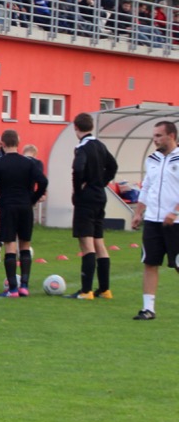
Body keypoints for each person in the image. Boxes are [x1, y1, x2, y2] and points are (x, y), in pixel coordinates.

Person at [0, 129, 49, 297]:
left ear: (3, 144)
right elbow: (43, 181)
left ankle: (12, 288)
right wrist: (33, 199)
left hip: (7, 206)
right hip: (25, 207)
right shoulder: (28, 163)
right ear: (18, 143)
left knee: (10, 245)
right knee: (25, 245)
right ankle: (24, 286)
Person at [129, 121, 179, 320]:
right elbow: (147, 186)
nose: (155, 139)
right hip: (152, 220)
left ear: (171, 136)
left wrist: (175, 212)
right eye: (154, 136)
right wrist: (138, 213)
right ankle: (148, 309)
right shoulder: (152, 159)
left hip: (175, 222)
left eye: (159, 135)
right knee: (150, 263)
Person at [69, 112, 118, 299]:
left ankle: (86, 290)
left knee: (86, 243)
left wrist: (78, 191)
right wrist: (101, 182)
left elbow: (78, 168)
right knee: (99, 242)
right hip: (100, 196)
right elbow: (113, 166)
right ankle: (105, 289)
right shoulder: (100, 145)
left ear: (76, 128)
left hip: (87, 198)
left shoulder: (82, 147)